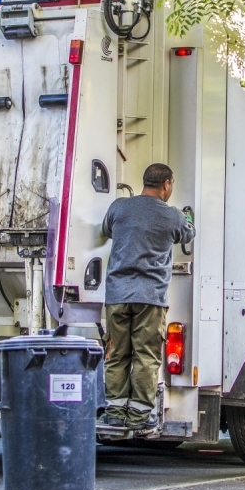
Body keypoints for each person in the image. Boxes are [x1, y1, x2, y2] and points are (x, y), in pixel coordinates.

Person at [99, 163, 195, 432]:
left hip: (117, 296)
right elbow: (188, 233)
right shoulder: (172, 216)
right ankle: (140, 415)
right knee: (145, 356)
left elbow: (107, 230)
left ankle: (115, 413)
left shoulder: (119, 207)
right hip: (150, 299)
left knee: (116, 354)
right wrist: (188, 217)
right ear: (166, 184)